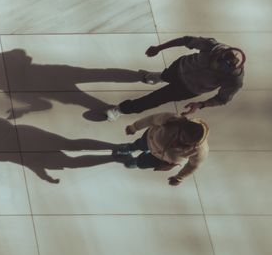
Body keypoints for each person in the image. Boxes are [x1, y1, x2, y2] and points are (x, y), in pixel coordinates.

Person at [104, 36, 244, 120]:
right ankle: (161, 76)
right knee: (166, 75)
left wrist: (200, 105)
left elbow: (222, 99)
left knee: (153, 100)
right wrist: (159, 48)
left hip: (187, 89)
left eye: (218, 69)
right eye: (214, 62)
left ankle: (122, 109)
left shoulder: (235, 80)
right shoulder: (213, 46)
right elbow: (185, 40)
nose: (214, 66)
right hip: (180, 67)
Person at [113, 112, 209, 186]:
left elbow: (193, 165)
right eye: (179, 136)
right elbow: (151, 119)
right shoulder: (172, 119)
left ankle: (137, 161)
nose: (176, 143)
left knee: (142, 163)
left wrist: (180, 177)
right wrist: (134, 127)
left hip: (163, 159)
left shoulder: (201, 150)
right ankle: (130, 148)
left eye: (185, 144)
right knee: (139, 144)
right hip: (150, 139)